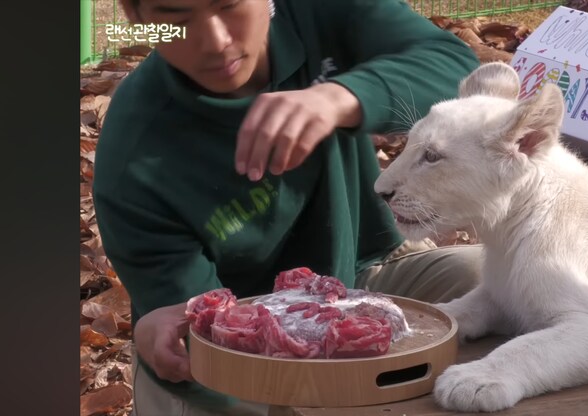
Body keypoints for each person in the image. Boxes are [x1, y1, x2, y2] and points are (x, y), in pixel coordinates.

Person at [92, 0, 483, 414]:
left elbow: (455, 68)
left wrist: (340, 97)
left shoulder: (316, 11)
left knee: (500, 288)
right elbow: (203, 339)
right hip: (235, 347)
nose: (216, 42)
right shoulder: (134, 158)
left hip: (365, 272)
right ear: (135, 17)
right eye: (175, 15)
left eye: (229, 5)